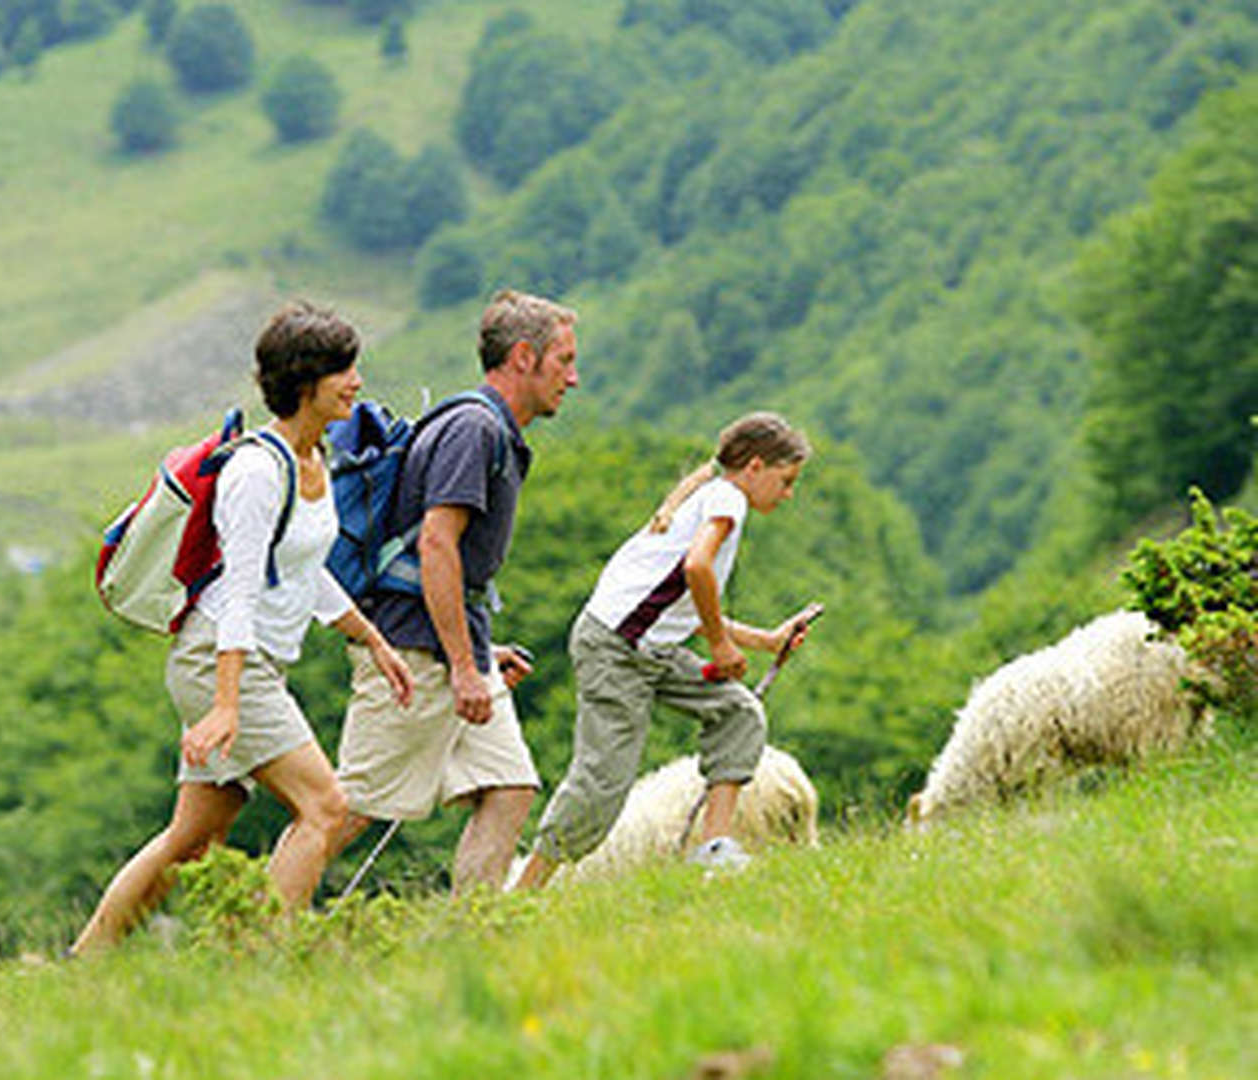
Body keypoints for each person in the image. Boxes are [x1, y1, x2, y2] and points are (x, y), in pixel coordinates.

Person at [70, 301, 413, 954]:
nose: (357, 382)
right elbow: (241, 591)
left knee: (193, 838)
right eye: (343, 369)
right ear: (305, 381)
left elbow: (306, 572)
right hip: (223, 661)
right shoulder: (257, 472)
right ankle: (263, 961)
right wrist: (227, 704)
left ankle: (85, 960)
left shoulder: (313, 461)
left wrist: (373, 641)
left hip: (247, 665)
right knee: (326, 808)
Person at [334, 289, 579, 893]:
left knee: (510, 786)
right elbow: (436, 546)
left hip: (451, 643)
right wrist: (465, 669)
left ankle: (473, 939)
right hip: (410, 649)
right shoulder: (474, 429)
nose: (572, 379)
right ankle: (254, 923)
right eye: (564, 361)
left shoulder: (488, 429)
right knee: (345, 811)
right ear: (524, 357)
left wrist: (477, 654)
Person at [512, 412, 814, 889]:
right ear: (755, 466)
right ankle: (523, 892)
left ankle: (714, 849)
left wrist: (766, 640)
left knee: (739, 711)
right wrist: (720, 645)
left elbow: (680, 605)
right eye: (786, 480)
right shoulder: (727, 501)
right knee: (602, 781)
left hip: (647, 647)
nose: (789, 493)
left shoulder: (712, 497)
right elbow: (698, 570)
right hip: (617, 650)